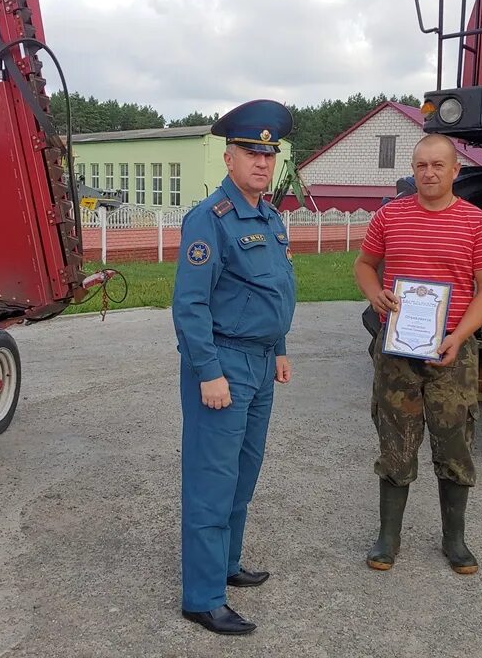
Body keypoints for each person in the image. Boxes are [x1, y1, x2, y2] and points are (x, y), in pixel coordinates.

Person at [172, 99, 297, 636]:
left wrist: (282, 345)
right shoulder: (210, 220)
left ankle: (227, 563)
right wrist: (208, 372)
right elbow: (190, 306)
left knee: (243, 473)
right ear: (229, 159)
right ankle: (202, 596)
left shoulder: (267, 216)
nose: (262, 163)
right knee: (212, 479)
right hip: (224, 363)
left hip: (262, 362)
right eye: (251, 153)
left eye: (269, 154)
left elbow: (273, 288)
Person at [353, 133, 482, 575]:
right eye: (421, 165)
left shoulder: (476, 222)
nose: (429, 173)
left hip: (452, 352)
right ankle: (388, 538)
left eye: (438, 165)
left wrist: (459, 335)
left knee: (455, 443)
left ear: (456, 171)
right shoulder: (390, 217)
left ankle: (455, 541)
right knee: (395, 440)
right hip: (397, 352)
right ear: (413, 170)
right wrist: (375, 293)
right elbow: (364, 265)